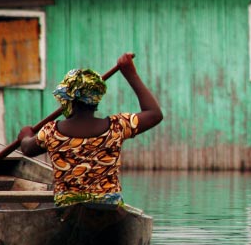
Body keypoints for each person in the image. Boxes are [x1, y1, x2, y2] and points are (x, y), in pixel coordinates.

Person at [18, 52, 163, 207]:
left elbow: (27, 148)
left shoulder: (51, 132)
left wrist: (25, 134)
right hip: (109, 205)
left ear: (68, 100)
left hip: (67, 206)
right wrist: (131, 74)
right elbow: (154, 114)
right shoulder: (117, 127)